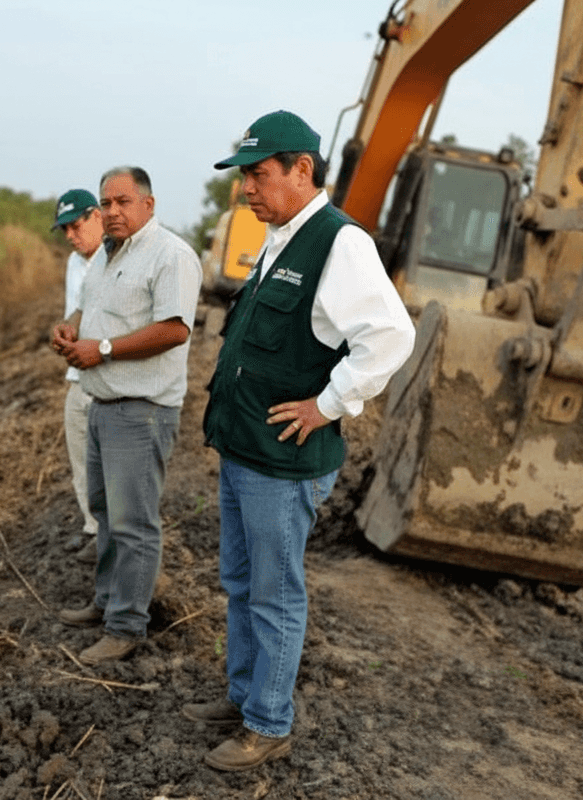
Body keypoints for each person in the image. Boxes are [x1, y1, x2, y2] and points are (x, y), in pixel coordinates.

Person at [186, 111, 415, 771]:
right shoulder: (281, 236)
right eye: (245, 177)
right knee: (239, 579)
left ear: (302, 169)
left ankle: (267, 722)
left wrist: (328, 403)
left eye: (259, 175)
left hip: (282, 466)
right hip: (245, 450)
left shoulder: (339, 242)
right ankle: (242, 695)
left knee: (275, 592)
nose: (248, 190)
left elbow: (391, 335)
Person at [50, 166, 201, 666]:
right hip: (104, 404)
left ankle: (126, 626)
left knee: (134, 522)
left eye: (123, 202)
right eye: (106, 203)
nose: (113, 211)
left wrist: (105, 349)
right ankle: (107, 602)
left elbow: (175, 329)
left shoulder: (171, 255)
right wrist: (70, 330)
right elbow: (88, 310)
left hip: (142, 411)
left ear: (148, 204)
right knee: (107, 513)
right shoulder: (106, 257)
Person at [51, 188, 104, 564]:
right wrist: (64, 332)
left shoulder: (117, 256)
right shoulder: (74, 263)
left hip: (110, 374)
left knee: (109, 463)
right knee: (80, 456)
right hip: (78, 373)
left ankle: (111, 536)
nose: (71, 235)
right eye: (64, 229)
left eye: (76, 225)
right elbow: (75, 311)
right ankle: (92, 529)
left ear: (96, 216)